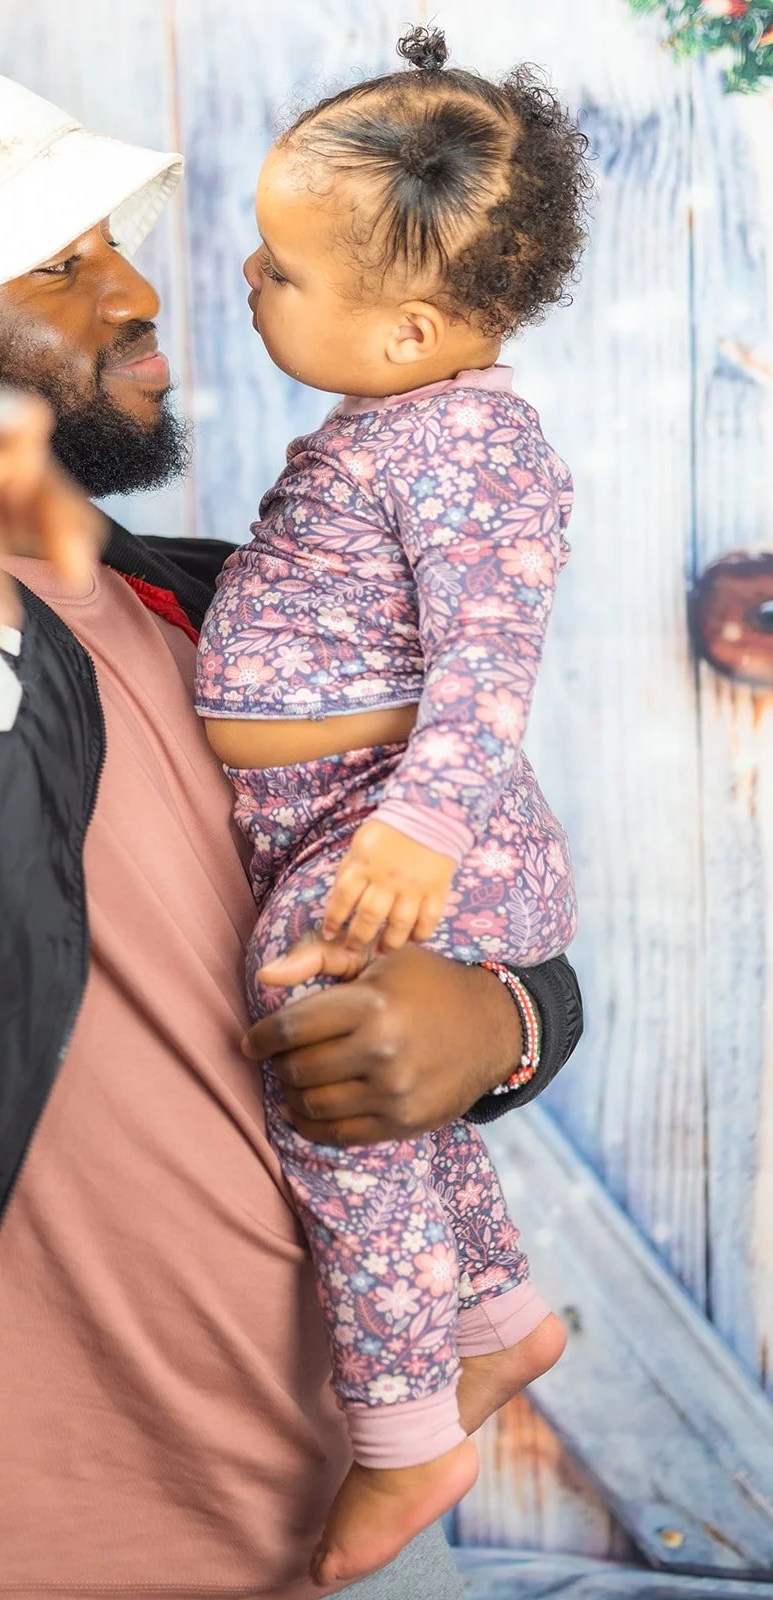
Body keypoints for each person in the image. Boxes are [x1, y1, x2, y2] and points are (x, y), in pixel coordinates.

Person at [0, 59, 584, 1600]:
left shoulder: (231, 621)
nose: (135, 292)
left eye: (111, 245)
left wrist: (509, 1021)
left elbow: (463, 882)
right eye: (57, 265)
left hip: (332, 1493)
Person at [194, 28, 591, 1586]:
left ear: (410, 326)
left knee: (325, 1058)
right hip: (350, 818)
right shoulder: (402, 428)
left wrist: (417, 831)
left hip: (414, 837)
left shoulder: (477, 446)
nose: (248, 276)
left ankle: (406, 1431)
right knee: (376, 1094)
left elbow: (491, 664)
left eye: (284, 269)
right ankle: (497, 1321)